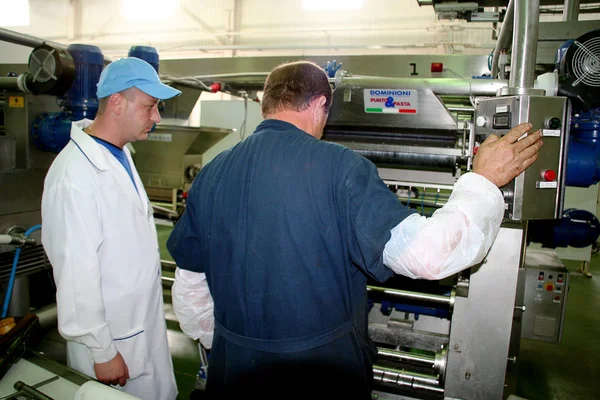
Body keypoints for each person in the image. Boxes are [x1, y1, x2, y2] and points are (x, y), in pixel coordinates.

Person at [166, 61, 543, 399]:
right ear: (318, 104)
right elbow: (429, 257)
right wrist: (483, 180)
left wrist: (233, 344)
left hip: (234, 372)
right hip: (319, 376)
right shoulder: (340, 168)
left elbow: (190, 283)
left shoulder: (213, 172)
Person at [41, 57, 180, 400]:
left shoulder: (120, 153)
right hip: (111, 345)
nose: (157, 117)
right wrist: (101, 352)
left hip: (137, 328)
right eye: (150, 107)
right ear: (117, 102)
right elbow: (76, 275)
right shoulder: (74, 176)